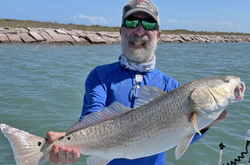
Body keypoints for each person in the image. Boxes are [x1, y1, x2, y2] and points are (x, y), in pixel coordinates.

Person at [46, 0, 228, 164]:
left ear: (158, 34)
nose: (139, 31)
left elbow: (182, 137)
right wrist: (71, 142)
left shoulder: (171, 86)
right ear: (121, 31)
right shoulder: (100, 76)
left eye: (148, 24)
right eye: (132, 23)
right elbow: (91, 118)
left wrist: (209, 121)